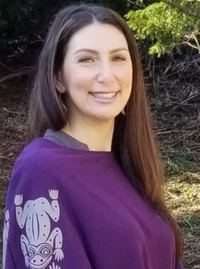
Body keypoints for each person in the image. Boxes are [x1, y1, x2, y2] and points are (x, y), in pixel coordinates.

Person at [2, 3, 184, 269]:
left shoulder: (130, 164)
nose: (106, 75)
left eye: (118, 58)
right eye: (86, 59)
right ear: (58, 78)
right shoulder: (41, 170)